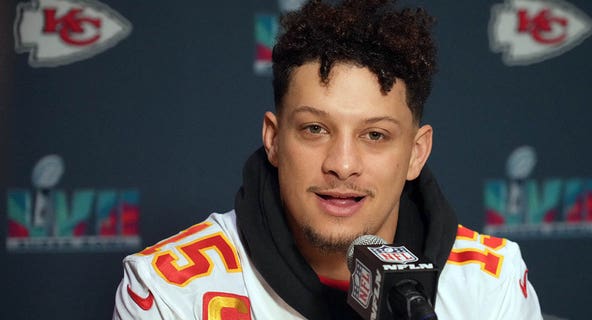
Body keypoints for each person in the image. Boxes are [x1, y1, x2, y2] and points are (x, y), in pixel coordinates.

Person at [113, 0, 543, 319]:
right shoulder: (169, 289)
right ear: (274, 139)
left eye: (375, 135)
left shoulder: (491, 284)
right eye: (315, 129)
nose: (341, 163)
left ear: (416, 153)